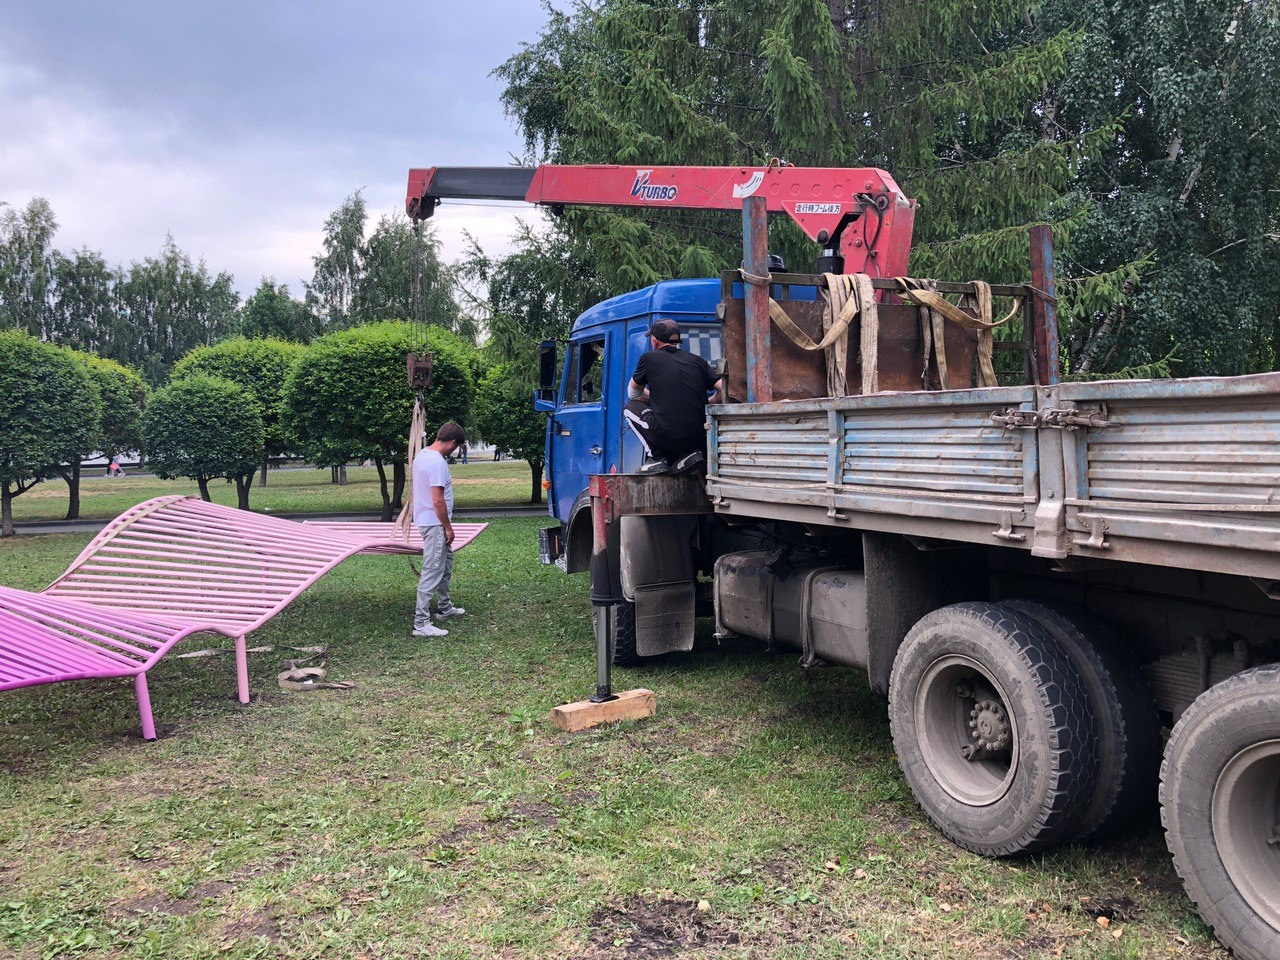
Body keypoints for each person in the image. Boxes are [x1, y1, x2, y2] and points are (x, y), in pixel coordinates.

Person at [625, 318, 722, 474]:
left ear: (655, 341)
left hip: (668, 436)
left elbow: (633, 394)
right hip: (699, 437)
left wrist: (657, 398)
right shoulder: (697, 361)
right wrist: (709, 401)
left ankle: (656, 458)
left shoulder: (648, 359)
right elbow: (724, 390)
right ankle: (687, 455)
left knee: (629, 408)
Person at [411, 421, 467, 638]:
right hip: (435, 523)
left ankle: (445, 607)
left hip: (429, 521)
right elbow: (437, 500)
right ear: (452, 442)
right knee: (433, 570)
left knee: (445, 564)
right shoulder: (437, 463)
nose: (455, 451)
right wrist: (447, 527)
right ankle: (421, 623)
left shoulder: (422, 455)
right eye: (456, 447)